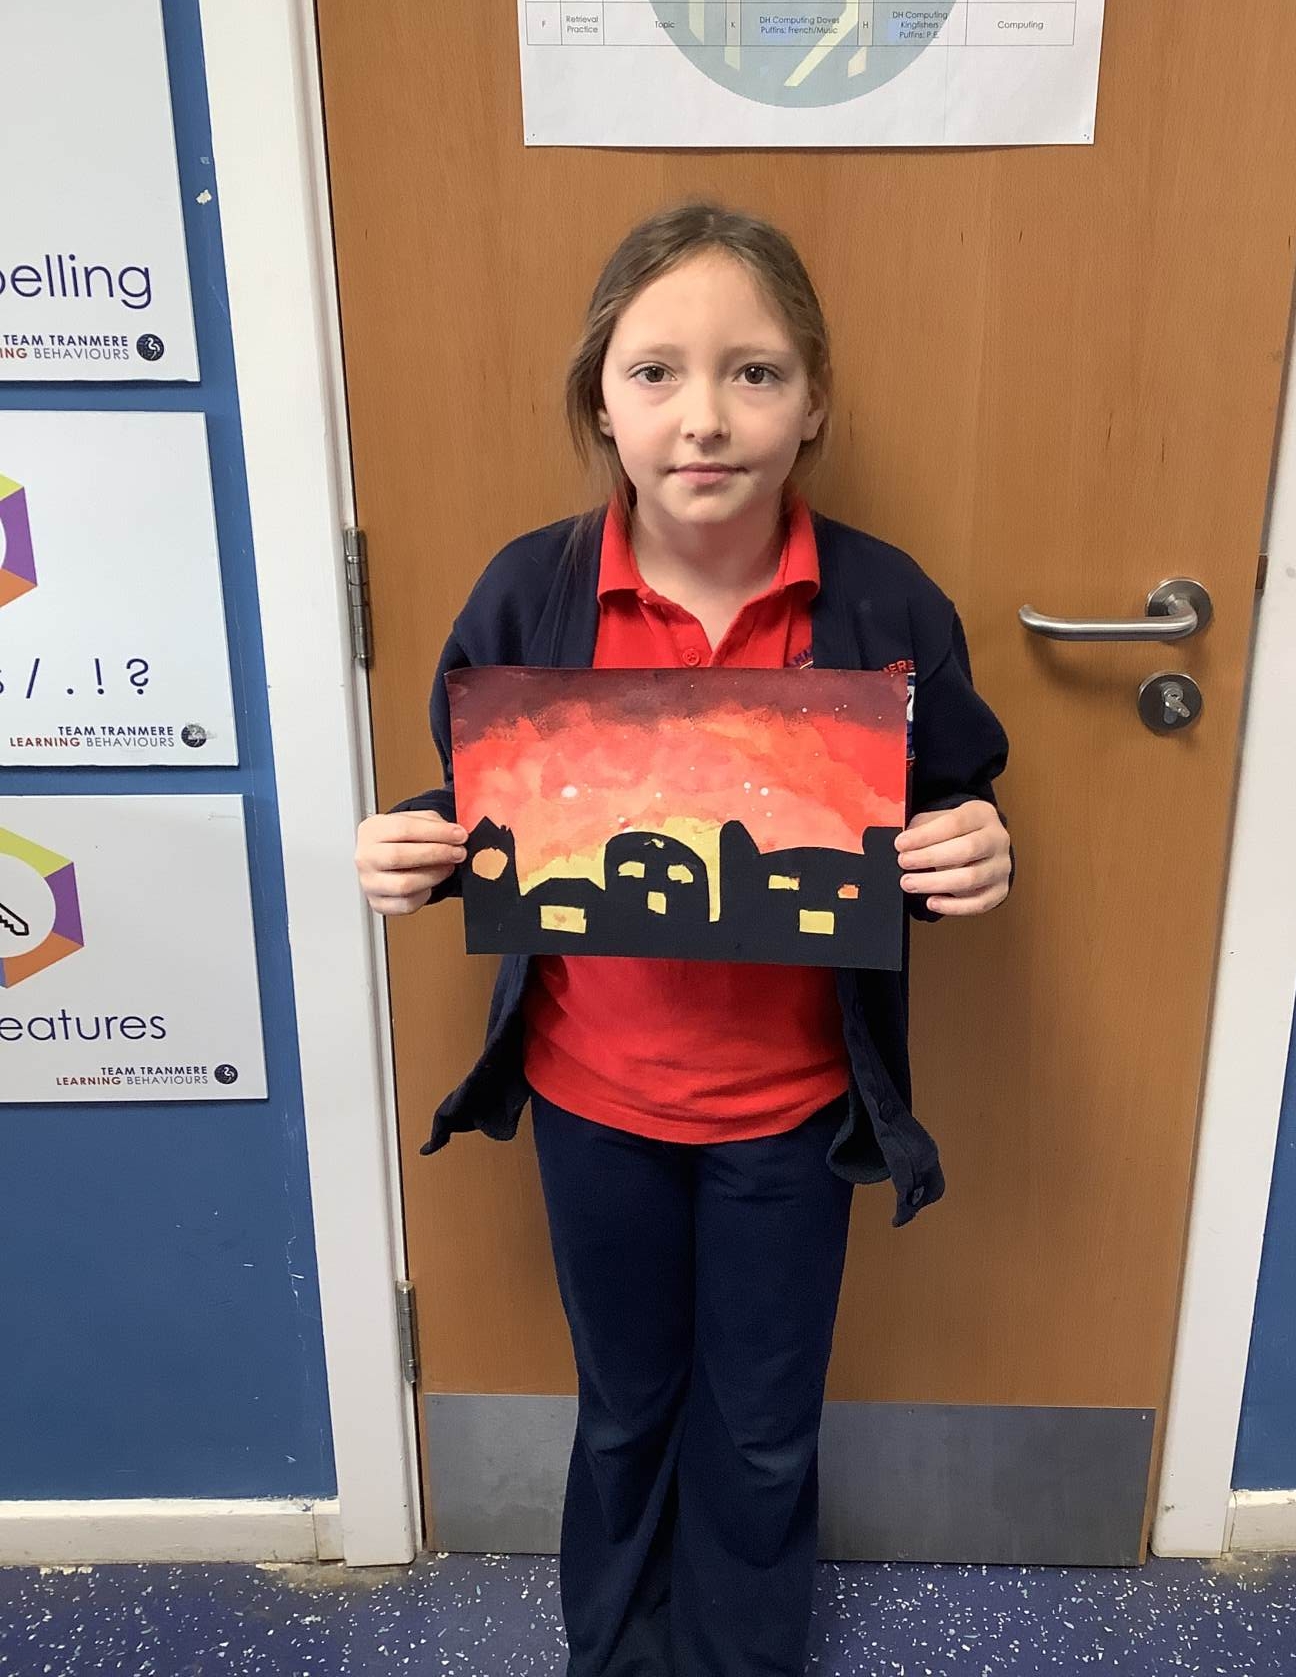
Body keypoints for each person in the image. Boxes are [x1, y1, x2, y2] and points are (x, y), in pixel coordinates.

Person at [355, 201, 1013, 1677]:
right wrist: (415, 844)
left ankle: (740, 1658)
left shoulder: (884, 604)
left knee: (765, 1429)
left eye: (754, 373)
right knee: (624, 1411)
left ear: (814, 401)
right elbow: (493, 807)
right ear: (600, 399)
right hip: (596, 1105)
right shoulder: (531, 592)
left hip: (795, 1114)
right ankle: (615, 1655)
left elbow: (949, 797)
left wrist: (975, 848)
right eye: (655, 372)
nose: (703, 418)